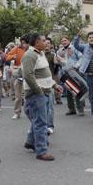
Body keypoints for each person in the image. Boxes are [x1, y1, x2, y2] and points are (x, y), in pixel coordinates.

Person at [22, 33, 63, 161]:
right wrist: (38, 91)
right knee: (41, 122)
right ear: (36, 42)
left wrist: (54, 85)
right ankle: (41, 151)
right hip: (37, 94)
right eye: (44, 40)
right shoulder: (29, 55)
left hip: (45, 91)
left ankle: (30, 142)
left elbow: (45, 74)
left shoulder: (40, 53)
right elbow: (28, 75)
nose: (46, 43)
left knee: (38, 120)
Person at [74, 31, 93, 123]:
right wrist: (77, 36)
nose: (91, 39)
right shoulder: (85, 47)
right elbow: (76, 46)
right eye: (89, 37)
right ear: (87, 39)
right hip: (90, 76)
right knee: (92, 96)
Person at [55, 36, 84, 116]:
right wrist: (58, 60)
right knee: (68, 92)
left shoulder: (74, 48)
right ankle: (71, 109)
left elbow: (81, 58)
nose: (64, 42)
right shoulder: (60, 51)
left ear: (69, 40)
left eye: (65, 40)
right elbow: (56, 61)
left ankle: (80, 109)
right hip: (65, 73)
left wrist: (76, 66)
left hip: (75, 72)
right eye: (62, 41)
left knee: (77, 90)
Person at [6, 36, 29, 120]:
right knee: (18, 96)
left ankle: (30, 112)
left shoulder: (31, 50)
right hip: (18, 73)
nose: (23, 44)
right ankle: (17, 112)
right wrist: (13, 56)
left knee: (28, 95)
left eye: (25, 42)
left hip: (28, 73)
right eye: (22, 42)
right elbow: (7, 57)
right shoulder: (16, 48)